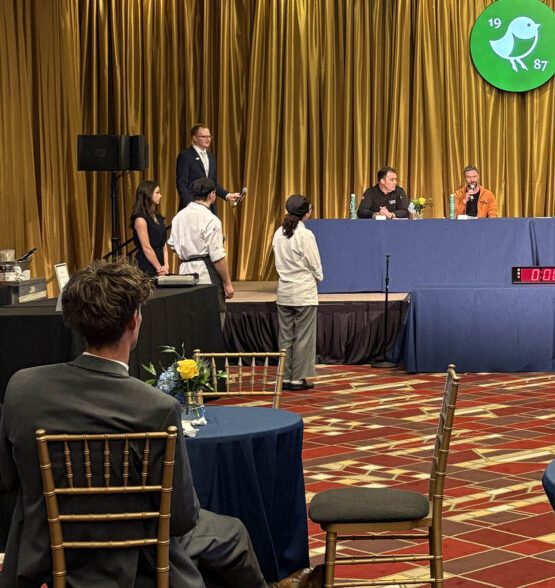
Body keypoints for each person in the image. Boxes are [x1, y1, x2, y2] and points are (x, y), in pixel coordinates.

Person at [0, 261, 321, 588]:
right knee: (232, 532)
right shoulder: (157, 407)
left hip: (47, 546)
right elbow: (181, 517)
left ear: (74, 320)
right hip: (134, 552)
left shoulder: (22, 388)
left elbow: (9, 481)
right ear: (134, 321)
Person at [272, 195, 323, 391]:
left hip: (284, 290)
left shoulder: (279, 233)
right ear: (307, 213)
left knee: (285, 336)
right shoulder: (305, 235)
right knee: (303, 336)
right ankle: (298, 378)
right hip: (303, 291)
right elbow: (313, 262)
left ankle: (284, 376)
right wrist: (318, 277)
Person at [168, 177, 234, 318]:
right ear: (212, 194)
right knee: (212, 320)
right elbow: (217, 257)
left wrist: (188, 250)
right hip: (205, 274)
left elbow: (172, 244)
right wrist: (228, 283)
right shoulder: (211, 219)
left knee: (189, 320)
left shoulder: (179, 216)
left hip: (184, 272)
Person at [175, 124, 241, 214]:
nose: (208, 139)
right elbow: (181, 184)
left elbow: (212, 183)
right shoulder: (185, 156)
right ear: (194, 138)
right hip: (192, 206)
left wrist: (227, 195)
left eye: (209, 136)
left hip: (210, 207)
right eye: (204, 136)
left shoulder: (211, 157)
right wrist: (189, 205)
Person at [130, 179, 169, 276]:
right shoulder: (140, 219)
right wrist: (159, 268)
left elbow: (163, 244)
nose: (160, 196)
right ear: (148, 194)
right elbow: (146, 248)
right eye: (157, 193)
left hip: (161, 264)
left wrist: (166, 265)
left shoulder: (158, 217)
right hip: (147, 264)